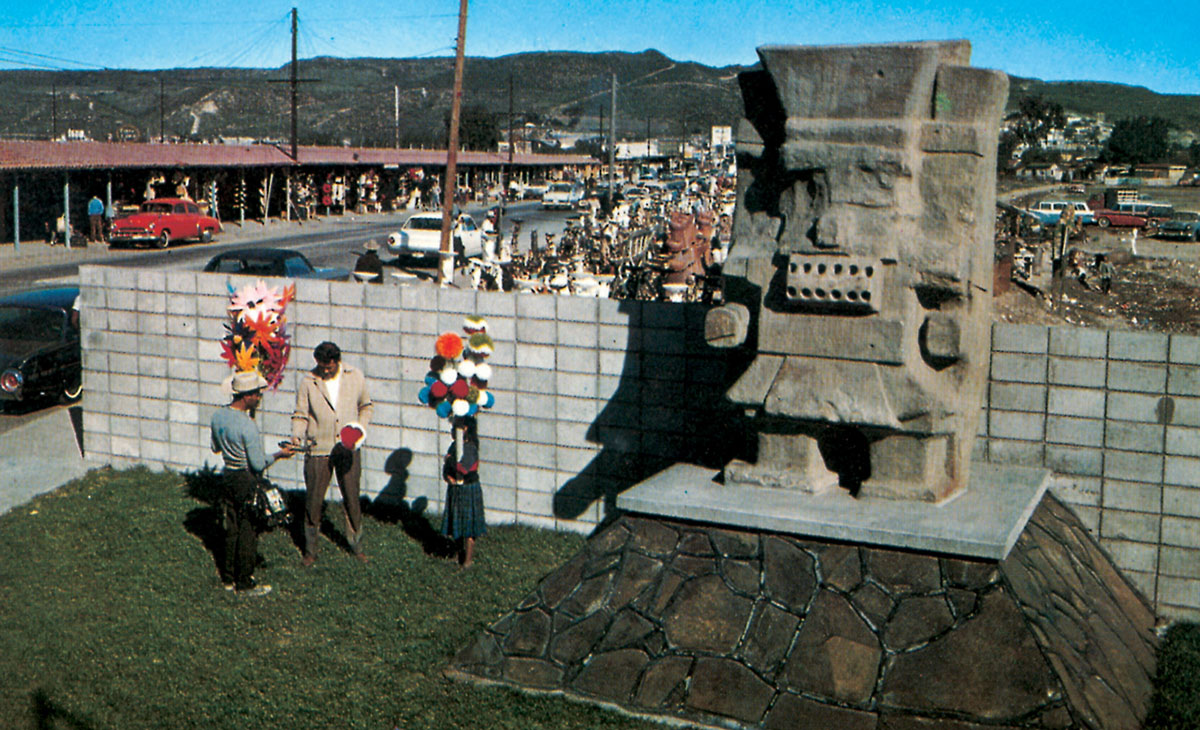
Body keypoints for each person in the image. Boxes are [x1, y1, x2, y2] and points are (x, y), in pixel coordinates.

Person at [210, 370, 295, 596]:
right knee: (249, 529)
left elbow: (215, 447)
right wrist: (279, 454)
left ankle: (228, 577)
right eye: (257, 394)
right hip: (245, 479)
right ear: (246, 396)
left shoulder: (218, 416)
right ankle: (245, 582)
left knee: (232, 527)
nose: (259, 398)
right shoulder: (247, 425)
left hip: (227, 475)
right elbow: (258, 464)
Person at [291, 341, 374, 565]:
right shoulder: (309, 381)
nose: (325, 371)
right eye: (321, 367)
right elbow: (301, 413)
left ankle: (356, 544)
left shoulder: (355, 376)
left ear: (337, 361)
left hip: (348, 448)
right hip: (319, 448)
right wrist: (297, 435)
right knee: (314, 500)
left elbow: (366, 406)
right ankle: (310, 549)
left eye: (328, 367)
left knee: (351, 497)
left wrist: (360, 429)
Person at [441, 417, 486, 568]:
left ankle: (468, 560)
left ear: (464, 429)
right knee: (456, 523)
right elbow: (447, 468)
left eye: (455, 428)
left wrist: (450, 461)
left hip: (468, 488)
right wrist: (447, 476)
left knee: (468, 526)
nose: (452, 431)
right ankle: (456, 554)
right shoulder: (454, 446)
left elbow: (464, 469)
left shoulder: (470, 448)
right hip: (456, 488)